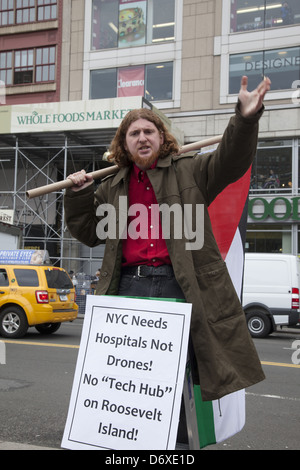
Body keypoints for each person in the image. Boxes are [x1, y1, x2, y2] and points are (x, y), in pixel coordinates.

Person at [64, 75, 270, 412]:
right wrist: (78, 195)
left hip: (180, 285)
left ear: (162, 138)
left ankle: (174, 443)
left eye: (149, 132)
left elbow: (232, 160)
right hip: (127, 286)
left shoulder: (192, 169)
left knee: (179, 377)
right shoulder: (111, 187)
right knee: (130, 373)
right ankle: (130, 436)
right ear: (124, 143)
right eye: (134, 134)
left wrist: (245, 119)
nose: (142, 138)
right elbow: (88, 232)